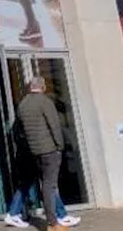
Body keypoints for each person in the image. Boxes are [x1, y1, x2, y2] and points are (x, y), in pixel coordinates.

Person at [17, 77, 77, 228]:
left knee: (48, 185)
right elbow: (54, 126)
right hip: (49, 150)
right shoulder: (45, 102)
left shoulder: (23, 104)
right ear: (42, 87)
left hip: (34, 151)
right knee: (50, 186)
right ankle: (53, 222)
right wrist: (60, 146)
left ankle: (59, 216)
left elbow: (20, 130)